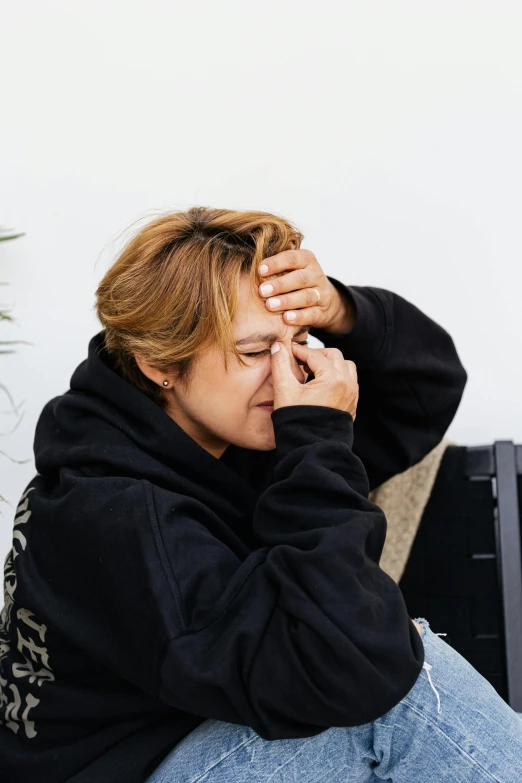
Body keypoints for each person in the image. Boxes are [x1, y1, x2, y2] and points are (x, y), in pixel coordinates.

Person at [0, 207, 520, 783]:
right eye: (253, 352)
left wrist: (343, 311)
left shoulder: (225, 434)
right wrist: (317, 443)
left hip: (187, 730)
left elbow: (427, 388)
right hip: (126, 770)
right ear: (158, 364)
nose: (287, 372)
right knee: (403, 697)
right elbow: (353, 665)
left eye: (298, 338)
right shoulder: (114, 513)